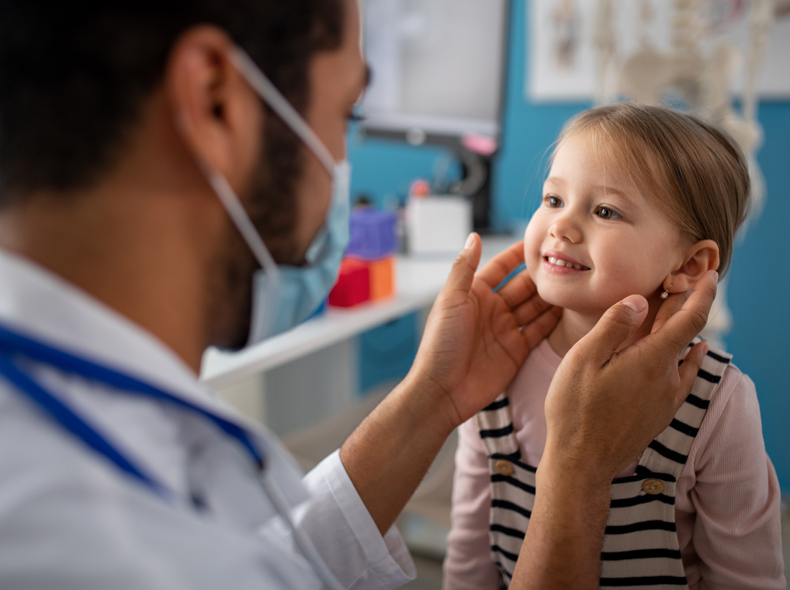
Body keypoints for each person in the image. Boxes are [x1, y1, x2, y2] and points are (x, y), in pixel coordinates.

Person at [0, 1, 718, 588]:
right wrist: (580, 467)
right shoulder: (101, 546)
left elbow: (272, 555)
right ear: (216, 102)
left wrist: (434, 399)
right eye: (346, 115)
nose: (344, 162)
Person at [445, 104, 786, 589]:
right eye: (553, 199)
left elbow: (748, 579)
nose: (561, 227)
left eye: (604, 210)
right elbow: (470, 561)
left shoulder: (717, 402)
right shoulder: (495, 369)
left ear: (689, 265)